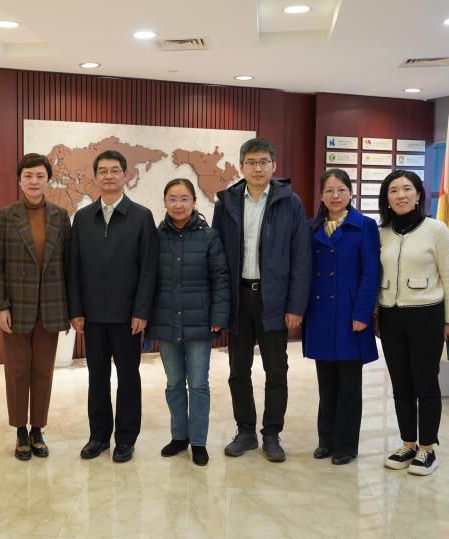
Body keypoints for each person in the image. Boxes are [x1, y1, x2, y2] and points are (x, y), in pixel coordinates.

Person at [212, 137, 311, 462]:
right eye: (251, 162)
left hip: (275, 299)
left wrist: (295, 306)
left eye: (263, 162)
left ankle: (271, 434)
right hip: (239, 297)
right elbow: (217, 257)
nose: (257, 168)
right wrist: (220, 304)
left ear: (274, 165)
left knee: (276, 370)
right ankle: (245, 431)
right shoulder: (226, 202)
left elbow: (301, 257)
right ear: (241, 166)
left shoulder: (290, 202)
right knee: (238, 369)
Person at [68, 150, 158, 463]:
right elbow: (73, 268)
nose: (108, 175)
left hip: (127, 317)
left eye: (114, 170)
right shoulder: (82, 218)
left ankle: (126, 439)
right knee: (97, 378)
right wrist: (76, 309)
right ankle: (98, 436)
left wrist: (141, 311)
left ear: (125, 175)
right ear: (95, 177)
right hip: (92, 316)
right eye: (103, 170)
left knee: (128, 379)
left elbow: (148, 269)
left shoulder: (141, 216)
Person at [0, 153, 71, 460]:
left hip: (50, 306)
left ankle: (38, 429)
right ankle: (20, 430)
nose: (34, 181)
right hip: (16, 308)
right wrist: (0, 306)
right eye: (28, 176)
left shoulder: (60, 216)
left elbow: (69, 264)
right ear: (19, 180)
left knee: (43, 371)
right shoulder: (6, 216)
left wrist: (71, 309)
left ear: (48, 180)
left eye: (39, 176)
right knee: (17, 371)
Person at [377, 170, 449, 476]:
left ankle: (427, 449)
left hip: (427, 315)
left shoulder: (436, 230)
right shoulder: (381, 232)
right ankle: (407, 444)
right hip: (390, 316)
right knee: (400, 384)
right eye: (394, 190)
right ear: (387, 198)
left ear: (418, 194)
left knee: (425, 383)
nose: (401, 195)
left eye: (407, 189)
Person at [147, 179, 229, 466]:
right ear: (165, 202)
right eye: (172, 199)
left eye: (184, 199)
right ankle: (179, 436)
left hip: (200, 323)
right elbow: (147, 279)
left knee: (198, 384)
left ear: (194, 201)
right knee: (173, 384)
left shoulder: (209, 236)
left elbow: (220, 279)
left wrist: (218, 316)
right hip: (166, 320)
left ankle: (198, 441)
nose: (178, 205)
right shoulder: (155, 237)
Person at [302, 169, 380, 465]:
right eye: (329, 191)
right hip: (321, 313)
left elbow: (371, 273)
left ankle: (346, 445)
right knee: (326, 383)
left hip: (350, 315)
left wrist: (362, 313)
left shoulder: (365, 226)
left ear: (351, 193)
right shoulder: (311, 227)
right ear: (321, 196)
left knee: (349, 385)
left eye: (341, 190)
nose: (335, 196)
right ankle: (326, 440)